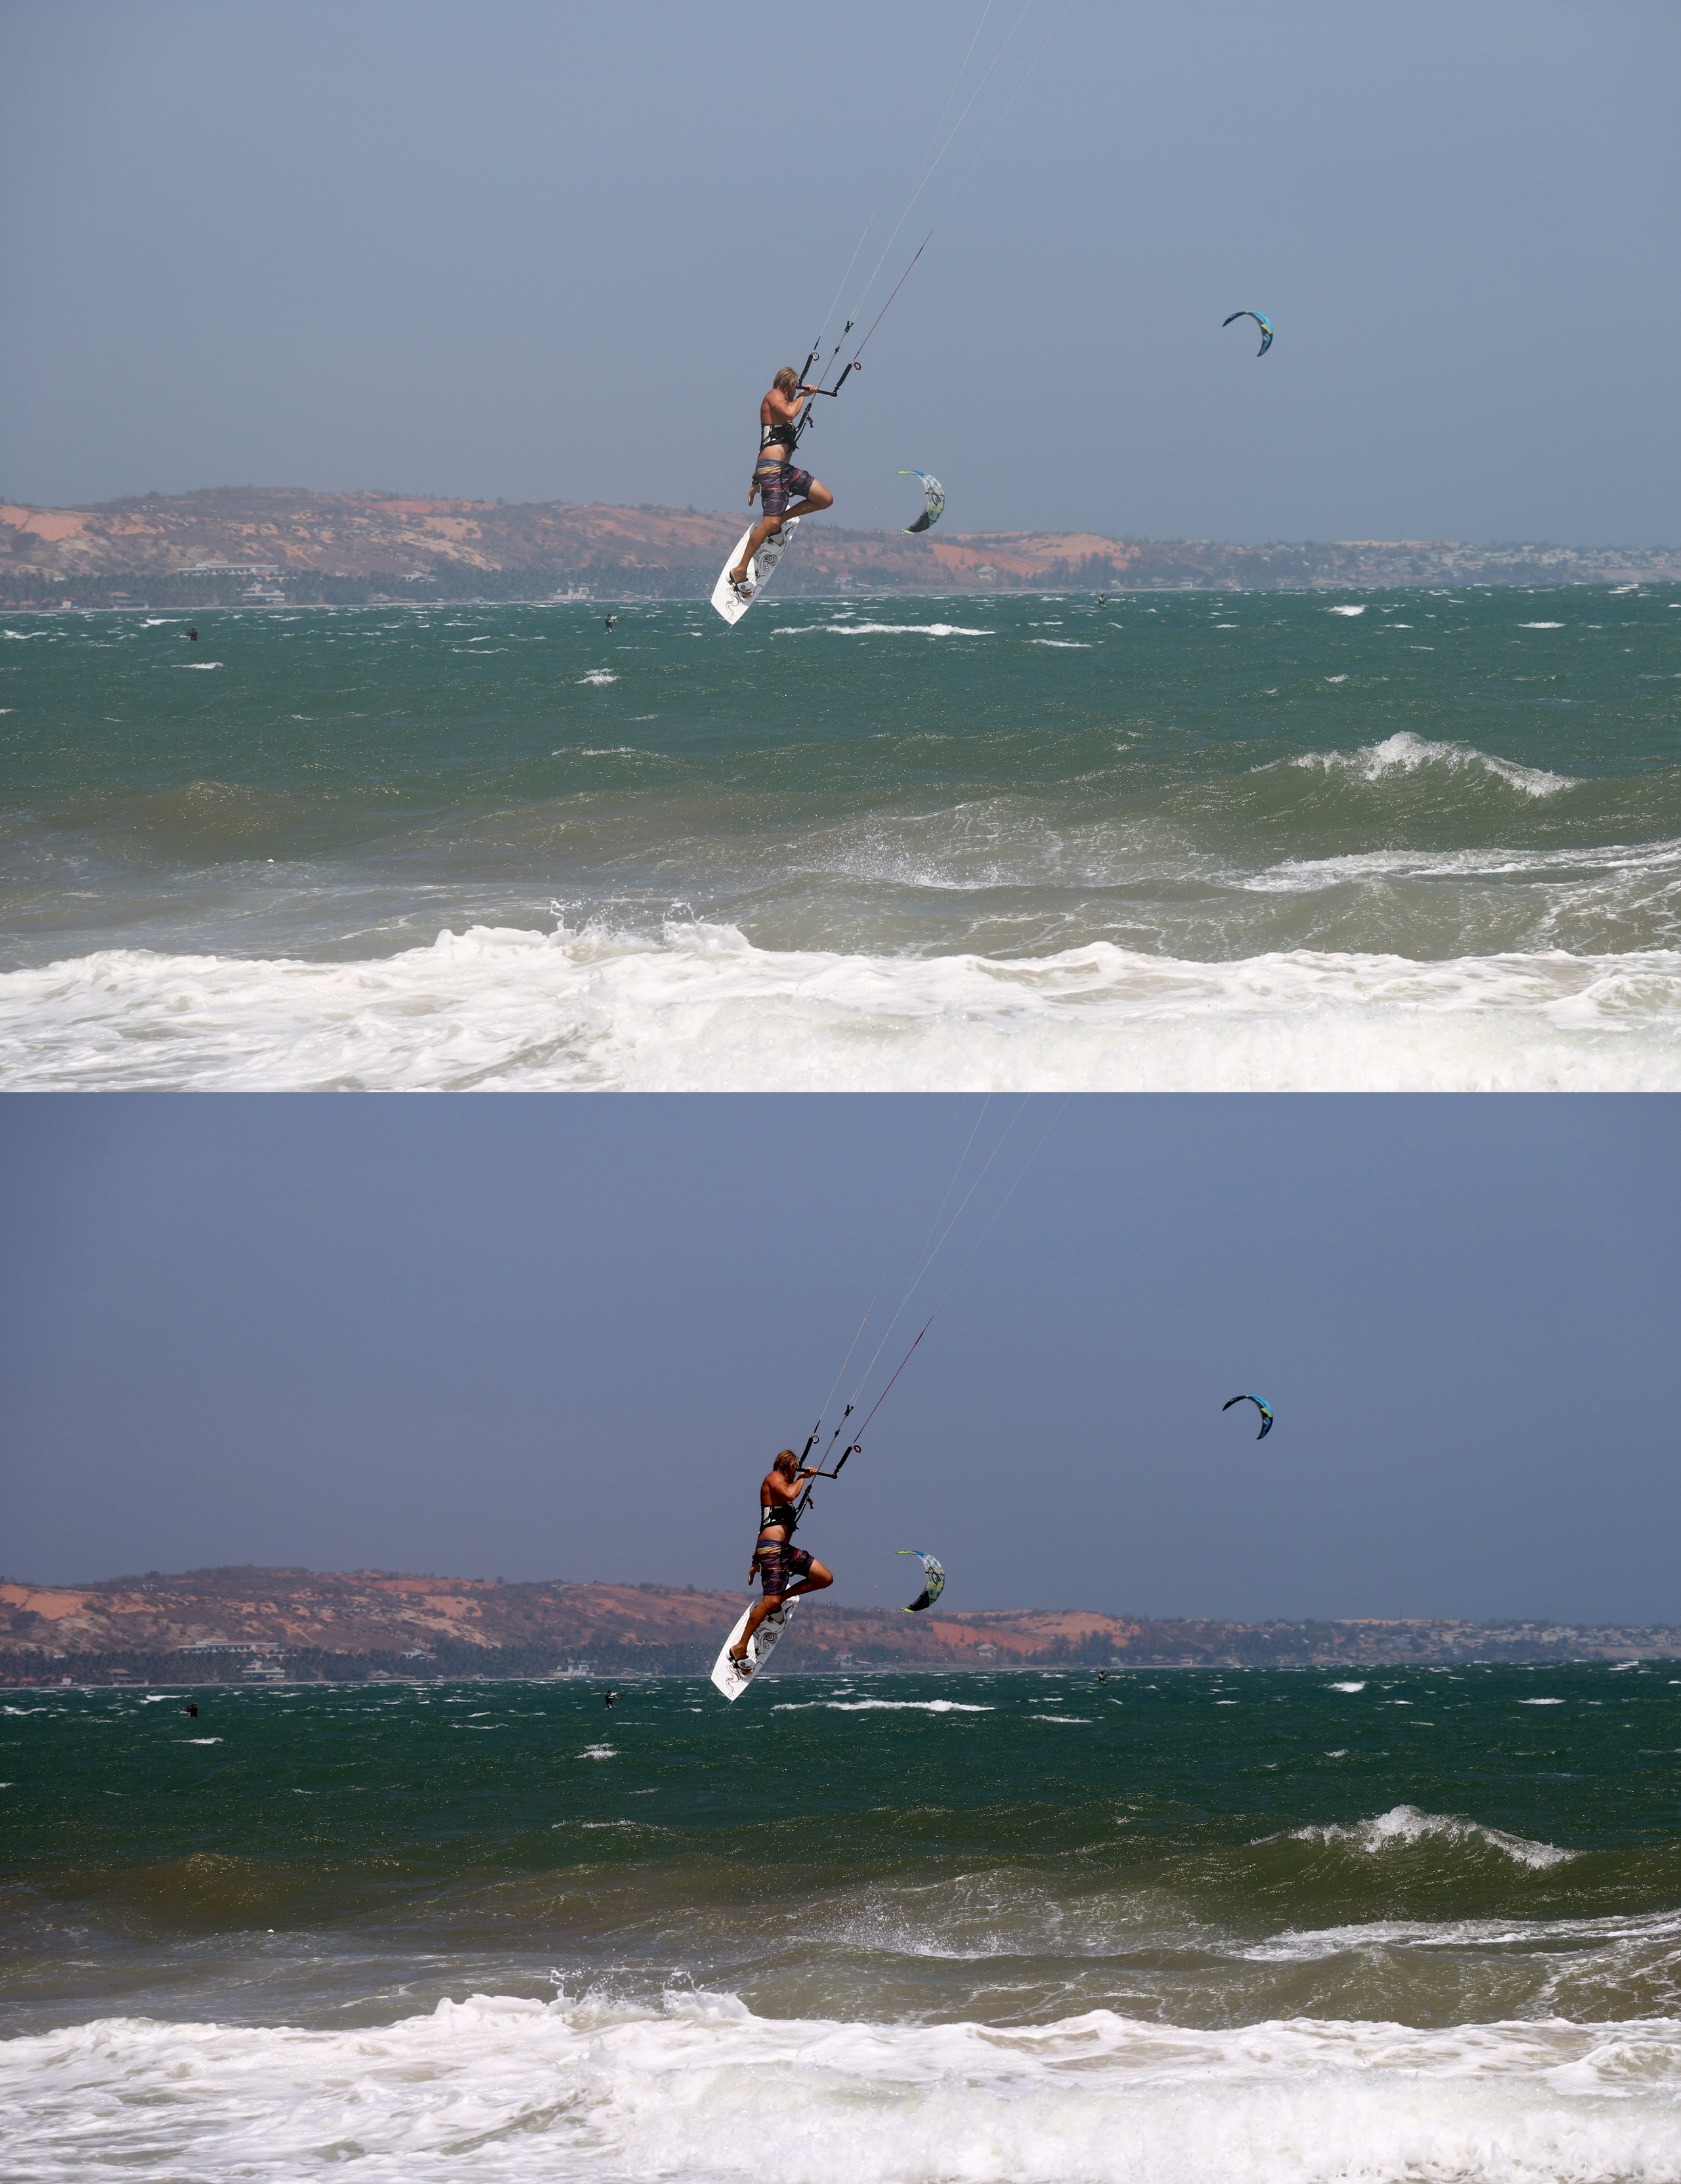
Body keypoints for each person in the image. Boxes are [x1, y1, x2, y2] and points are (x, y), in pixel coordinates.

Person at [728, 368, 835, 597]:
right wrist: (803, 396)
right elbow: (789, 413)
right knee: (770, 521)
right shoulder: (774, 395)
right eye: (795, 386)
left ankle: (778, 523)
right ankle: (739, 570)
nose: (795, 390)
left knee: (825, 499)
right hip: (771, 470)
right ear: (788, 383)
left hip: (784, 471)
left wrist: (755, 483)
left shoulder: (784, 401)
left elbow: (770, 443)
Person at [728, 1447, 834, 1671]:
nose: (796, 1474)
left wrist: (755, 1563)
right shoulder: (774, 1478)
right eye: (795, 1470)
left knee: (824, 1578)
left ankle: (777, 1602)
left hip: (784, 1551)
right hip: (771, 1550)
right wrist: (804, 1478)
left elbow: (768, 1523)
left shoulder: (784, 1487)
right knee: (771, 1601)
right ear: (789, 1467)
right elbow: (790, 1494)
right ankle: (740, 1647)